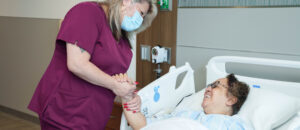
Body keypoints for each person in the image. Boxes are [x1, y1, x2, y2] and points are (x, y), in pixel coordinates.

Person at [28, 0, 157, 129]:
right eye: (141, 13)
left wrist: (131, 95)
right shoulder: (87, 12)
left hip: (94, 115)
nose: (140, 19)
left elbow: (119, 76)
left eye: (143, 17)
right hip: (65, 111)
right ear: (127, 1)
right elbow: (76, 64)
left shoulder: (121, 38)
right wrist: (115, 85)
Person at [120, 74, 251, 130]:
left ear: (231, 99)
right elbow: (142, 125)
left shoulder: (234, 124)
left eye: (216, 85)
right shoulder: (184, 115)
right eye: (210, 84)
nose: (208, 88)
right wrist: (126, 96)